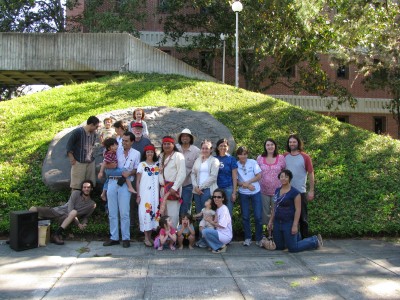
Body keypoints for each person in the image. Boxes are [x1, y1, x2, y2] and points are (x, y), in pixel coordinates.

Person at [268, 169, 322, 252]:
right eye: (282, 176)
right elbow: (275, 207)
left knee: (293, 248)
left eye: (286, 177)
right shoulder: (277, 190)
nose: (283, 178)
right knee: (278, 247)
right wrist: (271, 221)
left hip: (288, 223)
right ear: (279, 178)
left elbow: (298, 210)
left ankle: (314, 240)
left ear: (290, 178)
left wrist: (295, 225)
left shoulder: (295, 192)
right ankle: (296, 238)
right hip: (277, 222)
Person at [29, 180, 96, 245]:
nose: (86, 189)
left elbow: (86, 216)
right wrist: (78, 224)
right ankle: (35, 230)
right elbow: (70, 209)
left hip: (66, 218)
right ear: (82, 189)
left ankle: (56, 234)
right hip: (58, 211)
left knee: (74, 212)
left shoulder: (92, 204)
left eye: (88, 187)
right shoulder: (76, 193)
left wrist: (84, 223)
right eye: (84, 187)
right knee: (33, 209)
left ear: (92, 189)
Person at [103, 132, 140, 248]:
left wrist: (129, 172)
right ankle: (114, 237)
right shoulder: (116, 150)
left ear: (132, 142)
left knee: (124, 212)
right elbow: (106, 163)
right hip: (112, 181)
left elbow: (136, 169)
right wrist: (110, 167)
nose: (124, 143)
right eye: (123, 140)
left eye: (126, 141)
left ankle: (126, 238)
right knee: (112, 211)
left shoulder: (136, 153)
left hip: (125, 183)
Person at [284, 134, 315, 238]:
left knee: (303, 218)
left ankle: (305, 239)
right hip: (287, 192)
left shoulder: (305, 157)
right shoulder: (284, 156)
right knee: (289, 217)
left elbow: (311, 173)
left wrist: (311, 190)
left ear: (298, 143)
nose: (292, 144)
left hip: (300, 192)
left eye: (294, 142)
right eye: (290, 142)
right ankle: (291, 239)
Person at [256, 138, 286, 231]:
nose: (270, 146)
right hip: (263, 191)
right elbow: (256, 173)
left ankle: (276, 233)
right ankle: (267, 233)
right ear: (265, 147)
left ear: (275, 146)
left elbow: (284, 172)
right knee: (265, 213)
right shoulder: (260, 158)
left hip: (277, 191)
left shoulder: (281, 158)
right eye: (268, 145)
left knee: (276, 212)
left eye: (272, 144)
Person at [236, 146, 263, 247]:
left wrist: (248, 182)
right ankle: (247, 238)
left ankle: (259, 238)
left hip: (256, 192)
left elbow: (259, 176)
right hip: (243, 193)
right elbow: (236, 181)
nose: (243, 156)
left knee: (258, 216)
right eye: (241, 154)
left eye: (245, 154)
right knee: (245, 216)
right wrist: (246, 185)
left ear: (247, 154)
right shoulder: (236, 164)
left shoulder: (252, 162)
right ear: (238, 155)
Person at [158, 136, 186, 228]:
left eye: (168, 144)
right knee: (163, 214)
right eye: (164, 144)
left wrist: (175, 187)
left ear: (173, 145)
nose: (166, 146)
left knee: (172, 214)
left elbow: (182, 173)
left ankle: (173, 237)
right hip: (162, 189)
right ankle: (165, 235)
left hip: (172, 189)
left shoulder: (178, 156)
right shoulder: (161, 156)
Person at [136, 144, 160, 247]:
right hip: (145, 194)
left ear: (154, 153)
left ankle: (150, 237)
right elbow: (137, 181)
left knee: (154, 214)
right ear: (145, 153)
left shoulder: (157, 165)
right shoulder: (142, 165)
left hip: (155, 196)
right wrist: (138, 195)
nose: (150, 154)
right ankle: (146, 237)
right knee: (145, 213)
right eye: (148, 152)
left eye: (151, 152)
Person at [66, 116, 100, 190]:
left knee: (89, 185)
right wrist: (72, 159)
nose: (97, 128)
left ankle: (87, 201)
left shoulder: (94, 134)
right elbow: (69, 145)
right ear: (91, 124)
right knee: (76, 185)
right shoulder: (78, 132)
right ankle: (75, 200)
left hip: (90, 162)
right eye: (96, 126)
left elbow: (92, 146)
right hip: (78, 162)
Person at [191, 139, 219, 215]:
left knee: (207, 213)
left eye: (207, 148)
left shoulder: (214, 161)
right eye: (203, 148)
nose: (204, 150)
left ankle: (208, 227)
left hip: (207, 190)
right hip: (196, 190)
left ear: (211, 149)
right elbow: (193, 173)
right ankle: (201, 227)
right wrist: (195, 186)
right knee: (199, 212)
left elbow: (213, 177)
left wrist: (201, 187)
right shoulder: (198, 160)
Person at [176, 128, 200, 216]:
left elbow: (198, 168)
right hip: (175, 184)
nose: (184, 138)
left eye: (187, 136)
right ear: (180, 138)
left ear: (190, 138)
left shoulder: (196, 151)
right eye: (183, 136)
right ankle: (174, 229)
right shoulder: (175, 148)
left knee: (186, 207)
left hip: (188, 184)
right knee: (175, 207)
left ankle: (185, 228)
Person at [201, 189, 233, 253]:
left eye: (219, 197)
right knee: (204, 232)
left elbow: (222, 225)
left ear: (223, 198)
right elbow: (215, 222)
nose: (216, 198)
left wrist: (210, 221)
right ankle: (215, 245)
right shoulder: (218, 208)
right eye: (214, 197)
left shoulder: (224, 209)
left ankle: (221, 247)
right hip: (219, 233)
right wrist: (209, 219)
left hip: (225, 235)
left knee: (205, 231)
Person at [214, 138, 238, 217]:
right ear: (217, 147)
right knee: (216, 212)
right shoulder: (214, 159)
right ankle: (217, 229)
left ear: (228, 147)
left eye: (225, 146)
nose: (223, 147)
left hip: (228, 188)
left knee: (228, 211)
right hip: (217, 188)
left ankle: (228, 229)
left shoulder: (231, 159)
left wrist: (234, 193)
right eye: (221, 146)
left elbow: (234, 177)